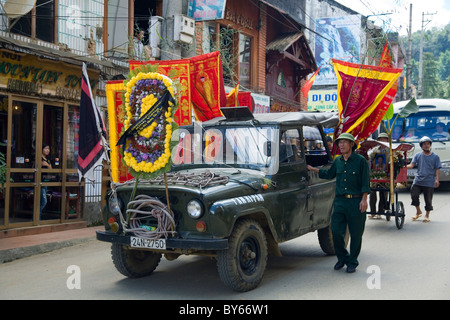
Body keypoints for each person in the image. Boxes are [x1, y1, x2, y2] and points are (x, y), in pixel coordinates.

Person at [307, 133, 370, 273]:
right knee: (335, 232)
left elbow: (366, 182)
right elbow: (329, 174)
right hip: (340, 201)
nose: (341, 145)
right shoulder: (338, 161)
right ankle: (342, 258)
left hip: (356, 201)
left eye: (345, 142)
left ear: (352, 144)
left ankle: (352, 262)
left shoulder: (360, 161)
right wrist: (313, 169)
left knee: (356, 234)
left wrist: (364, 200)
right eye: (340, 142)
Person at [407, 136, 441, 222]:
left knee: (428, 199)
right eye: (424, 144)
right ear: (421, 146)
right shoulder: (418, 155)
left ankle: (427, 215)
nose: (426, 145)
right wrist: (402, 166)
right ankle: (418, 211)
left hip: (429, 181)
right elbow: (411, 165)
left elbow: (437, 169)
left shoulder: (435, 157)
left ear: (430, 145)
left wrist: (437, 180)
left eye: (428, 144)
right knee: (414, 195)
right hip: (418, 180)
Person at [368, 133, 389, 218]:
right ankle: (373, 212)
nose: (382, 141)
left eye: (384, 139)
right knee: (372, 192)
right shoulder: (375, 150)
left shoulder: (391, 149)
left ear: (387, 140)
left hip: (386, 173)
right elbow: (369, 158)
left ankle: (381, 212)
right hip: (376, 173)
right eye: (380, 139)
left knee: (383, 193)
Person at [40, 143, 52, 219]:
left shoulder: (47, 160)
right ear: (41, 149)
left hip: (45, 182)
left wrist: (47, 165)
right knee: (44, 202)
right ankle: (37, 217)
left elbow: (51, 170)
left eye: (48, 149)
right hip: (39, 182)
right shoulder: (38, 159)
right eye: (46, 148)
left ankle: (39, 217)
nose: (47, 150)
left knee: (42, 201)